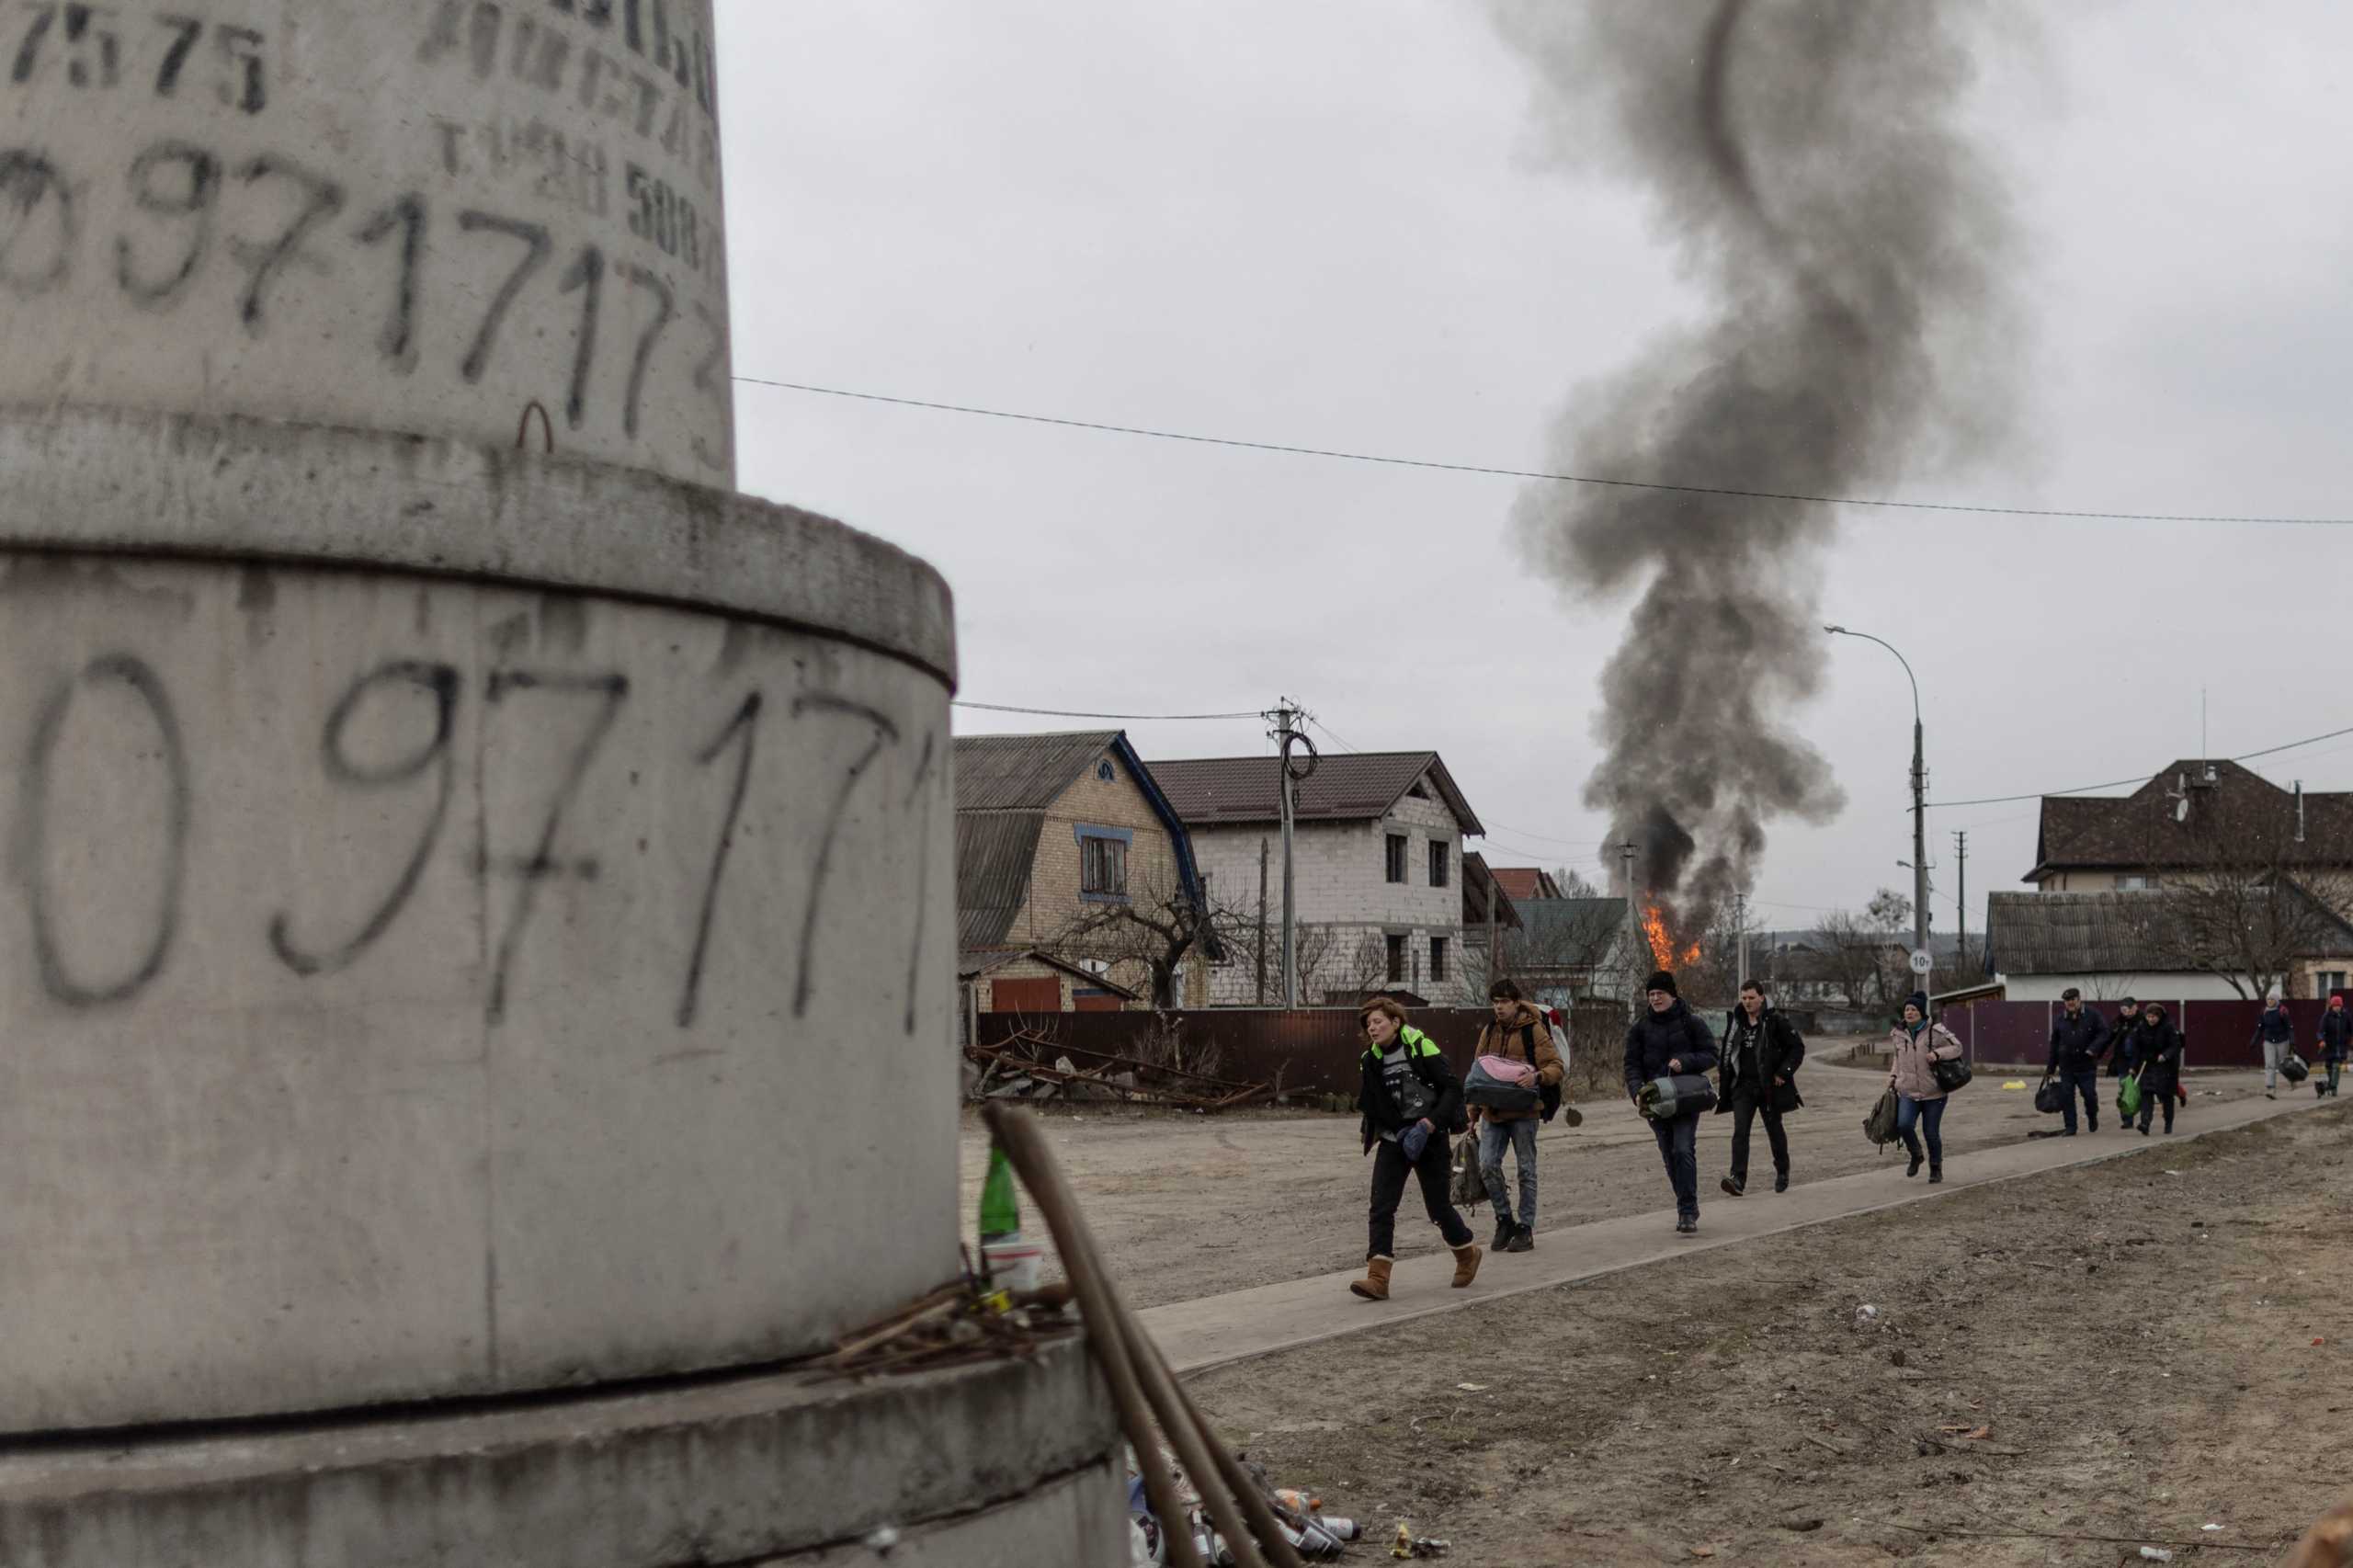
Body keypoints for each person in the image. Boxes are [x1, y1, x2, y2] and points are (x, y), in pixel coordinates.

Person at [1350, 995, 1481, 1301]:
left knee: (1438, 1207)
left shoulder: (1420, 1046)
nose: (1372, 1028)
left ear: (1396, 1022)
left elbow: (1452, 1088)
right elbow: (1376, 1103)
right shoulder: (1370, 1060)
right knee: (1382, 1206)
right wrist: (1401, 1129)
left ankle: (1466, 1253)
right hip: (1395, 1139)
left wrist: (1428, 1125)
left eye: (1378, 1021)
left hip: (1430, 1137)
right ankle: (1378, 1278)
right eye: (1368, 1024)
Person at [1470, 979, 1563, 1253]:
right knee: (1487, 1167)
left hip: (1524, 1112)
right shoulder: (1488, 1031)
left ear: (1515, 1003)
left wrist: (1537, 1076)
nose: (1498, 1008)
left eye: (1504, 1002)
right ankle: (1504, 1220)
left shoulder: (1532, 1030)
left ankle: (1525, 1228)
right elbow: (1478, 1073)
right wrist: (1473, 1111)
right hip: (1493, 1112)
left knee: (1526, 1170)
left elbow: (1556, 1066)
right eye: (1495, 1002)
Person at [1623, 970, 1719, 1234]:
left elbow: (1711, 1055)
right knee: (1668, 1155)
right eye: (1651, 994)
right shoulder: (1640, 1028)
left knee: (1683, 1150)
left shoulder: (1692, 1023)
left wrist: (1685, 1062)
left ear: (1672, 995)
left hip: (1686, 1098)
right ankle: (1686, 1202)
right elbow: (1631, 1064)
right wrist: (1636, 1091)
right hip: (1655, 1102)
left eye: (1660, 993)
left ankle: (1687, 1212)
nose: (1655, 998)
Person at [1714, 979, 1805, 1196]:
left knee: (1774, 1131)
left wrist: (1784, 1073)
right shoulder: (1736, 1021)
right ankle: (1737, 1179)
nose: (1747, 1002)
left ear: (1761, 998)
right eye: (1744, 998)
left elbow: (1797, 1048)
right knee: (1740, 1132)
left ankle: (1782, 1171)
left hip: (1768, 1088)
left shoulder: (1775, 1021)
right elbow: (1728, 1051)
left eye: (1751, 998)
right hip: (1742, 1087)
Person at [1886, 992, 1964, 1184]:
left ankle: (1936, 1168)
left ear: (1921, 1012)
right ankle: (1916, 1154)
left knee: (1931, 1133)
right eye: (1907, 1009)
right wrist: (1893, 1076)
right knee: (1904, 1125)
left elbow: (1957, 1047)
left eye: (1913, 1009)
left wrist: (1938, 1054)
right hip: (1908, 1091)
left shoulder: (1935, 1031)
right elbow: (1898, 1057)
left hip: (1934, 1092)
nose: (1909, 1013)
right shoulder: (1898, 1034)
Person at [2044, 986, 2110, 1135]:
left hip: (2086, 1064)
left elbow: (2105, 1033)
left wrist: (2093, 1048)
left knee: (2089, 1095)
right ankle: (2071, 1127)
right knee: (2067, 1096)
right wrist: (2051, 1067)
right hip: (2066, 1064)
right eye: (2067, 1001)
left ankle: (2092, 1116)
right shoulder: (2060, 1019)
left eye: (2073, 1000)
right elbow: (2054, 1043)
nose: (2070, 1003)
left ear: (2079, 999)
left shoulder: (2092, 1015)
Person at [2130, 1000, 2184, 1133]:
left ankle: (2168, 1123)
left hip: (2165, 1067)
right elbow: (2136, 1048)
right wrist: (2133, 1066)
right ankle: (2145, 1123)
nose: (2151, 1019)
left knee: (2166, 1096)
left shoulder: (2168, 1027)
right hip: (2147, 1065)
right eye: (2148, 1016)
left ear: (2159, 1017)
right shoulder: (2141, 1027)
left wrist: (2165, 1055)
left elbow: (2175, 1045)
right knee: (2146, 1094)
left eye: (2153, 1017)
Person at [2253, 994, 2298, 1099]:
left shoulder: (2282, 1011)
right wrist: (2254, 1040)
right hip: (2268, 1041)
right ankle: (2271, 1089)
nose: (2269, 1001)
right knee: (2269, 1065)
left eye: (2272, 999)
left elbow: (2289, 1028)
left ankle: (2292, 1080)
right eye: (2268, 999)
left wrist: (2292, 1041)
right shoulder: (2264, 1012)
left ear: (2276, 1000)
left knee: (2283, 1065)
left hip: (2282, 1041)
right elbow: (2260, 1028)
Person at [2320, 994, 2349, 1098]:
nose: (2337, 1007)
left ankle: (2333, 1086)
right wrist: (2322, 1040)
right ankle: (2332, 1085)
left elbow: (2350, 1029)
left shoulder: (2346, 1016)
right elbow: (2321, 1031)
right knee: (2329, 1067)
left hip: (2341, 1046)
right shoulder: (2326, 1016)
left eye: (2339, 1006)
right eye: (2335, 1006)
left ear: (2341, 1006)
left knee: (2336, 1066)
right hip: (2329, 1046)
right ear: (2331, 1006)